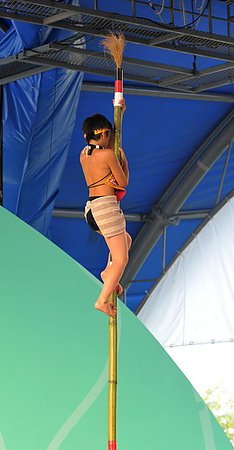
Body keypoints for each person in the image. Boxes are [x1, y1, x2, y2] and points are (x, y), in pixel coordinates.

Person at [80, 106, 131, 317]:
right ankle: (101, 301)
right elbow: (123, 182)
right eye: (108, 134)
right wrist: (123, 160)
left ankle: (109, 276)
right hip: (106, 208)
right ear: (103, 134)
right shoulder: (108, 155)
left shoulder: (84, 155)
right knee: (121, 259)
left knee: (125, 240)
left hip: (91, 209)